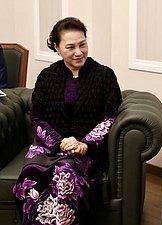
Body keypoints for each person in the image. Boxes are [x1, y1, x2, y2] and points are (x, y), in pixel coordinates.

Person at [13, 17, 122, 225]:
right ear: (57, 47)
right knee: (30, 176)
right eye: (70, 47)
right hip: (47, 146)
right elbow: (37, 117)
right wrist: (58, 141)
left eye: (82, 44)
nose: (78, 52)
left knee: (64, 176)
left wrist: (85, 144)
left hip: (85, 149)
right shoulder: (47, 77)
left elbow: (111, 116)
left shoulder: (104, 75)